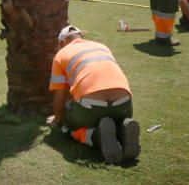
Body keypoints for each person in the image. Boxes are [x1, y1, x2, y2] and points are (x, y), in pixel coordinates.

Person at [46, 25, 140, 164]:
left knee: (67, 125)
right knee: (111, 117)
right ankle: (122, 126)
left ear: (63, 43)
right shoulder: (102, 46)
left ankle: (97, 136)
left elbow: (60, 93)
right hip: (124, 104)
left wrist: (58, 119)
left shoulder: (61, 54)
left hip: (91, 107)